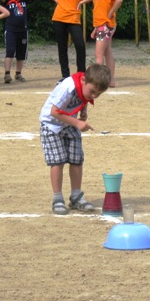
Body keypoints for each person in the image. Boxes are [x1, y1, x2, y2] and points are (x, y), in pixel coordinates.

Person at [39, 63, 111, 215]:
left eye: (98, 94)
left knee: (76, 159)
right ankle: (57, 198)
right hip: (51, 125)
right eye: (92, 92)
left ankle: (76, 196)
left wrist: (83, 110)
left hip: (69, 122)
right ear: (83, 80)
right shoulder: (68, 88)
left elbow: (83, 97)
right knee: (57, 161)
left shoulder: (85, 87)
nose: (94, 96)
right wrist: (77, 123)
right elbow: (54, 112)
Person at [42, 0, 96, 81]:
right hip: (59, 18)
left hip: (73, 18)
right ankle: (65, 76)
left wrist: (82, 2)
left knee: (80, 45)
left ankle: (81, 74)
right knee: (62, 47)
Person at [90, 0, 123, 88]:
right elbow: (99, 11)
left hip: (105, 26)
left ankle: (98, 81)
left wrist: (111, 13)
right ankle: (110, 80)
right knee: (107, 52)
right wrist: (95, 28)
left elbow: (119, 0)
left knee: (98, 54)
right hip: (102, 25)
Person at [0, 0, 34, 83]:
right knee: (10, 51)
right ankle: (7, 74)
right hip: (11, 30)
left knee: (21, 53)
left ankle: (18, 73)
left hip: (22, 30)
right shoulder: (7, 1)